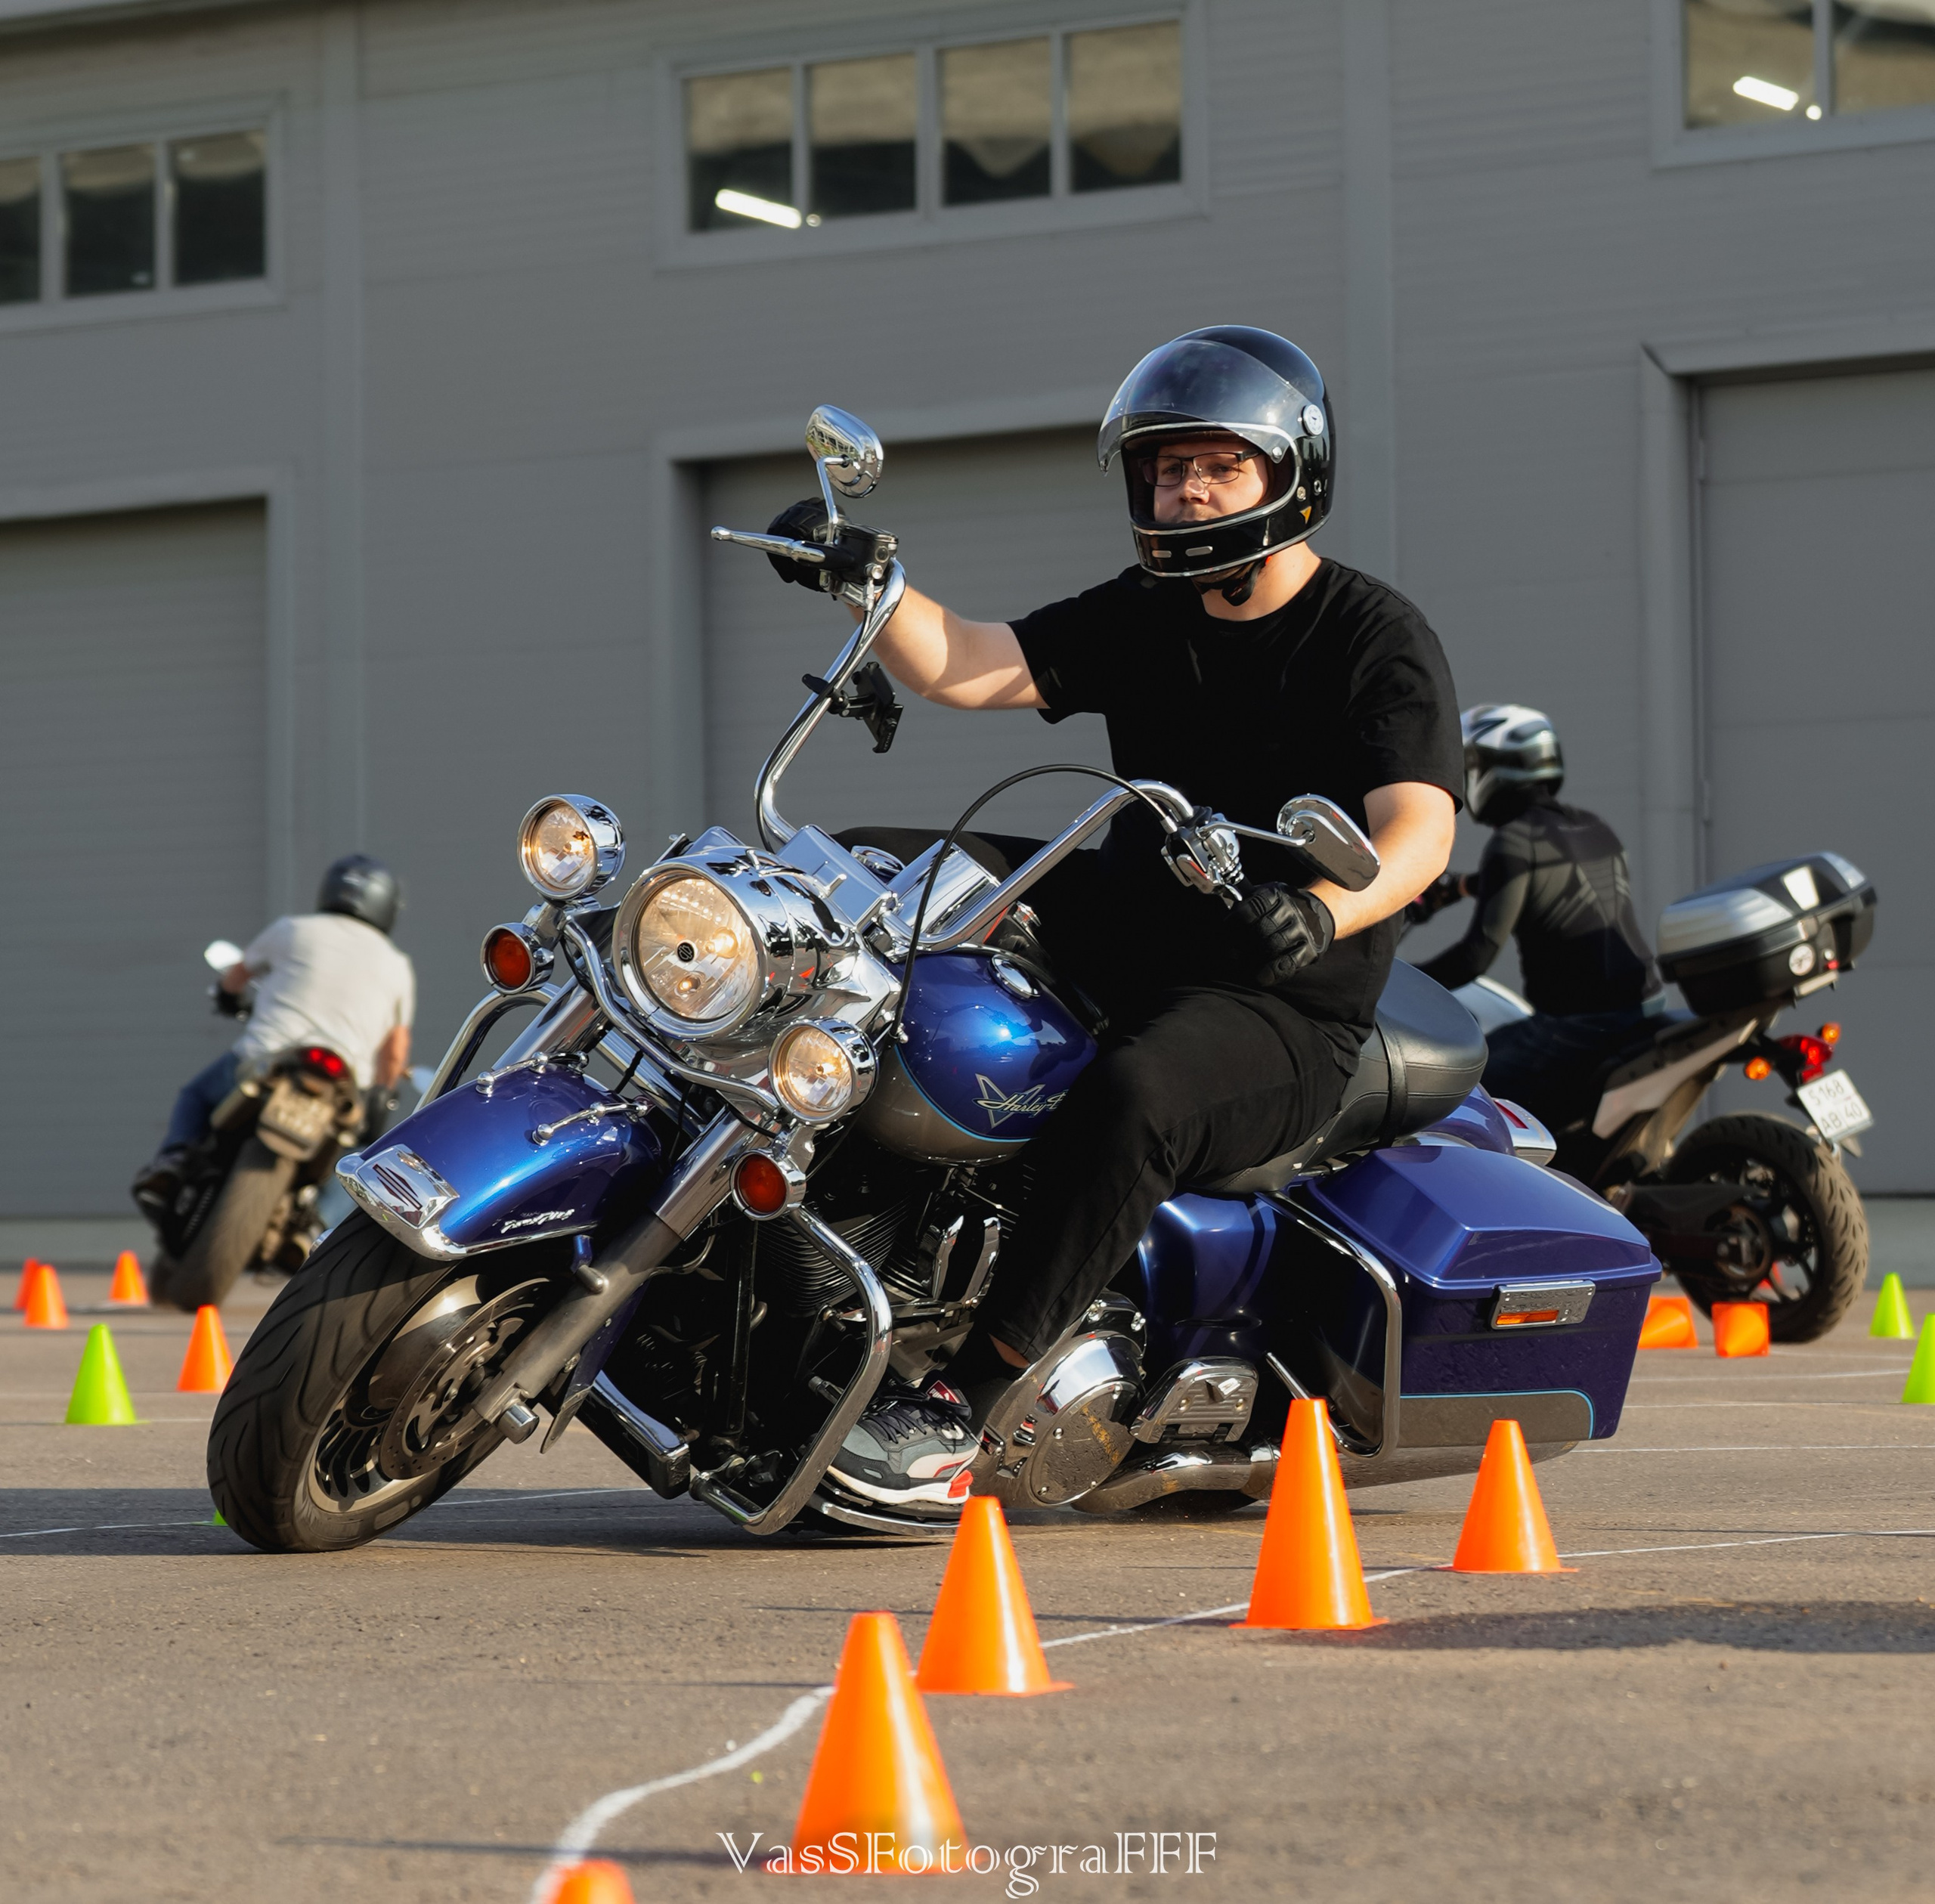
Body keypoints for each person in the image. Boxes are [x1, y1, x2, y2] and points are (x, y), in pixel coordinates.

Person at [769, 326, 1463, 1509]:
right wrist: (866, 582)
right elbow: (976, 664)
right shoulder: (1153, 609)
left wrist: (1324, 908)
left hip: (1278, 996)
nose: (1185, 489)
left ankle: (965, 1398)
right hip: (1130, 931)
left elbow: (1420, 825)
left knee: (1137, 1095)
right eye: (1165, 467)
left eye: (1217, 466)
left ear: (1290, 472)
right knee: (898, 876)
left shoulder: (1373, 638)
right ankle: (809, 1266)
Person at [1414, 704, 1662, 1130]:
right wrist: (1460, 887)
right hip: (1644, 1007)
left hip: (1576, 1027)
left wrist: (1399, 982)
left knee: (1461, 1091)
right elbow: (1552, 882)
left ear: (1493, 768)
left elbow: (1474, 958)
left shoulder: (1514, 843)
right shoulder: (1593, 826)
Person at [135, 855, 416, 1197]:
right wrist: (382, 1095)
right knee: (353, 1164)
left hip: (267, 1058)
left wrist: (227, 997)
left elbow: (237, 975)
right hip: (343, 1081)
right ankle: (320, 1232)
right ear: (387, 905)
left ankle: (173, 1161)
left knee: (195, 1096)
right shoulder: (397, 965)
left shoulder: (293, 929)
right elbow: (396, 1047)